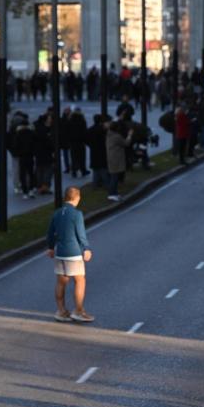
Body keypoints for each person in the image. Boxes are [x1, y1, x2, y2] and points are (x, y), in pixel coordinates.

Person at [46, 186, 94, 323]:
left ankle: (61, 311)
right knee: (80, 280)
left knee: (61, 282)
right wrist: (86, 248)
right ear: (77, 198)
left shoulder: (57, 213)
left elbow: (50, 233)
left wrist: (50, 247)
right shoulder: (77, 214)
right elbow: (81, 233)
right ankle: (78, 311)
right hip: (74, 252)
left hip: (60, 252)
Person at [105, 120, 132, 201]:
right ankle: (111, 193)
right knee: (114, 177)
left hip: (111, 157)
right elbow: (126, 143)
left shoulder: (109, 135)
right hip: (116, 158)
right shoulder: (117, 136)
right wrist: (130, 135)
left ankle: (115, 193)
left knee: (114, 176)